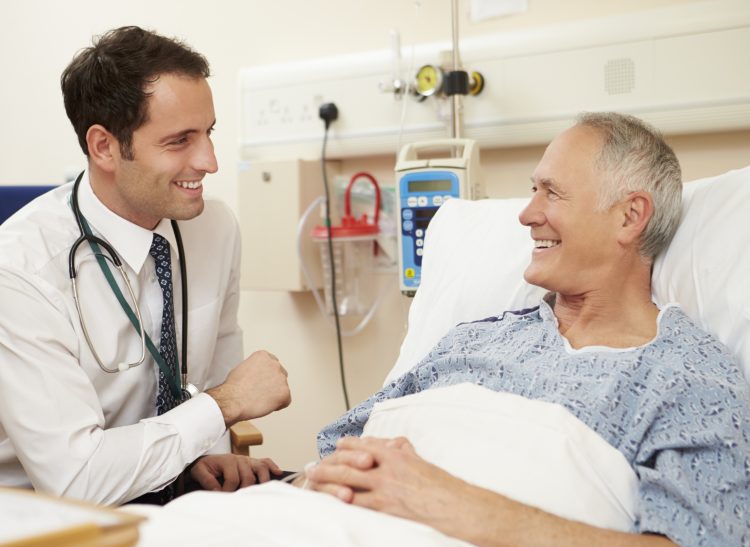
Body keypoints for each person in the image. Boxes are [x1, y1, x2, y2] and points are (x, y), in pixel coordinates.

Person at [307, 113, 750, 546]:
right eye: (533, 190)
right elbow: (336, 451)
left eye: (552, 193)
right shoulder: (471, 339)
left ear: (631, 216)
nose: (526, 214)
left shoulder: (689, 380)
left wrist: (458, 505)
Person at [0, 26, 291, 505]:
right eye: (180, 141)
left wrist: (208, 453)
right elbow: (77, 482)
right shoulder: (22, 272)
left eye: (209, 133)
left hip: (174, 489)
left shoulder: (214, 230)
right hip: (49, 514)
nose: (210, 161)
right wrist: (225, 405)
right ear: (104, 147)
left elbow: (214, 364)